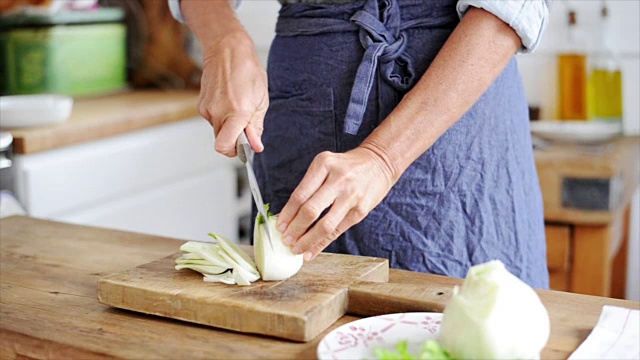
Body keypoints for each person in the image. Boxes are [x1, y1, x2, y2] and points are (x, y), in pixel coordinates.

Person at [170, 0, 550, 288]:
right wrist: (223, 40)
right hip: (303, 111)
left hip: (457, 124)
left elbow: (511, 7)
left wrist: (383, 158)